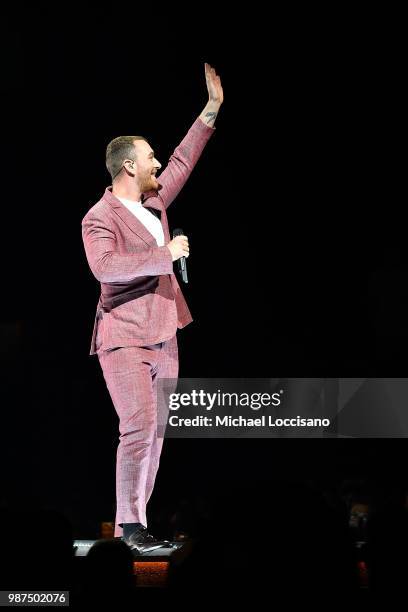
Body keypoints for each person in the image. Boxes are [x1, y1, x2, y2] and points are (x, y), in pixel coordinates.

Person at [81, 63, 223, 554]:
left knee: (157, 433)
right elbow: (105, 267)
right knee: (138, 423)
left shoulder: (155, 202)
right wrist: (166, 254)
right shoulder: (99, 217)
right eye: (150, 157)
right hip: (123, 335)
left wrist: (210, 111)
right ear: (128, 167)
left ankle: (138, 523)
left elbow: (183, 161)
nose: (159, 163)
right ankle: (128, 527)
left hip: (165, 331)